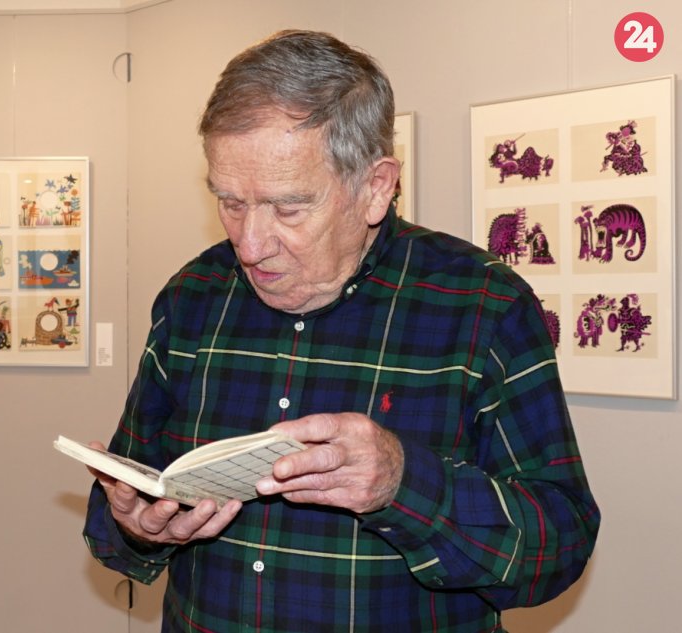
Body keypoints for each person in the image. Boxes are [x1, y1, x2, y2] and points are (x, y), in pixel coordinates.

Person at [82, 29, 599, 632]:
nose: (249, 244)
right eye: (230, 202)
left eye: (288, 207)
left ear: (375, 187)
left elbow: (561, 545)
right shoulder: (192, 297)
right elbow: (123, 504)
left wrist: (405, 483)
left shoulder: (484, 305)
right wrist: (136, 528)